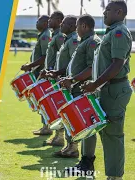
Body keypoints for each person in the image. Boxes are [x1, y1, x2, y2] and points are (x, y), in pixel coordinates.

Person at [80, 1, 132, 179]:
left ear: (119, 12)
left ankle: (115, 177)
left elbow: (117, 64)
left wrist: (95, 84)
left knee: (113, 135)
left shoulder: (119, 32)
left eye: (108, 10)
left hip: (114, 89)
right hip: (108, 88)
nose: (104, 13)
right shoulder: (111, 32)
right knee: (106, 133)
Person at [60, 14, 101, 176]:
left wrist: (73, 79)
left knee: (88, 128)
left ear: (84, 26)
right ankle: (84, 162)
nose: (76, 29)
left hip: (85, 89)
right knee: (84, 127)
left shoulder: (92, 42)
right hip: (79, 88)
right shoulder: (85, 41)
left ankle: (87, 163)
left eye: (77, 26)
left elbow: (92, 68)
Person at [45, 15, 80, 158]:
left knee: (70, 115)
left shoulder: (73, 40)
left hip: (70, 82)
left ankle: (73, 147)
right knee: (65, 114)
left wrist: (59, 73)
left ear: (72, 26)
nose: (61, 25)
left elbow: (73, 62)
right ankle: (68, 145)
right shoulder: (67, 39)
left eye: (64, 23)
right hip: (63, 81)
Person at [21, 15, 52, 136]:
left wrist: (30, 66)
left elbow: (44, 57)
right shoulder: (43, 35)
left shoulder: (45, 36)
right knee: (41, 101)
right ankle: (45, 126)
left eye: (38, 21)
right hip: (38, 73)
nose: (36, 23)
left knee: (43, 101)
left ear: (45, 23)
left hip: (42, 74)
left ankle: (47, 126)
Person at [41, 11, 66, 146]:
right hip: (52, 74)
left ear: (58, 20)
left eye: (51, 19)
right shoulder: (54, 35)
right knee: (55, 106)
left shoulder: (61, 36)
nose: (48, 21)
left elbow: (64, 57)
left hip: (59, 76)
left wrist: (55, 72)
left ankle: (61, 137)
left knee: (60, 106)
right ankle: (58, 136)